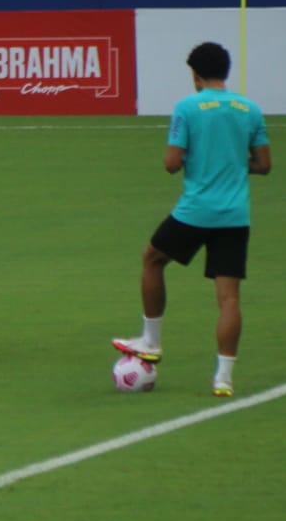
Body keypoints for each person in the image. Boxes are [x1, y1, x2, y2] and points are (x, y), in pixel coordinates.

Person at [113, 42, 270, 397]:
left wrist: (197, 159)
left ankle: (151, 341)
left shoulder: (187, 108)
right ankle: (223, 378)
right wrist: (231, 162)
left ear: (196, 74)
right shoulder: (250, 109)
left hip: (196, 210)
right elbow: (263, 164)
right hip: (234, 215)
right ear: (225, 71)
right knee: (228, 299)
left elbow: (171, 163)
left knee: (152, 259)